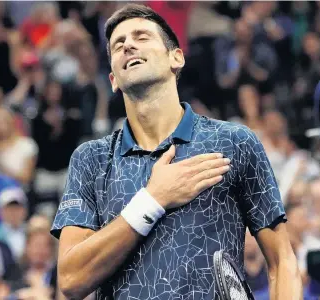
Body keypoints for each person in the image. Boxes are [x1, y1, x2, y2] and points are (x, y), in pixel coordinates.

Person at [51, 4, 302, 300]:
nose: (128, 45)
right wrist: (153, 199)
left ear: (176, 58)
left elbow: (282, 261)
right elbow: (70, 279)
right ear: (113, 80)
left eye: (141, 37)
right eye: (118, 45)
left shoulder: (235, 141)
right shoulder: (90, 159)